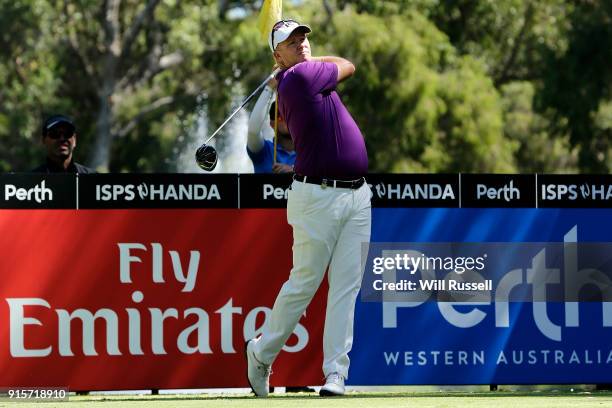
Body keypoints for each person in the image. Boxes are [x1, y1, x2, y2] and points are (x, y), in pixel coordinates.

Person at [245, 20, 371, 397]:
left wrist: (293, 67)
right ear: (276, 55)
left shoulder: (303, 75)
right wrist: (294, 69)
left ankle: (336, 374)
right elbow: (348, 63)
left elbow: (338, 66)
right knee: (304, 284)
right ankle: (262, 353)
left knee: (346, 287)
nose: (301, 44)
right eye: (290, 41)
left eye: (303, 38)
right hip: (317, 197)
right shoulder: (298, 79)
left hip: (357, 196)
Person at [246, 80, 296, 174]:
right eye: (282, 117)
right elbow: (253, 131)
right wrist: (269, 88)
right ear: (272, 124)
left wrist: (296, 171)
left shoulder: (310, 153)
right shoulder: (264, 150)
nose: (288, 119)